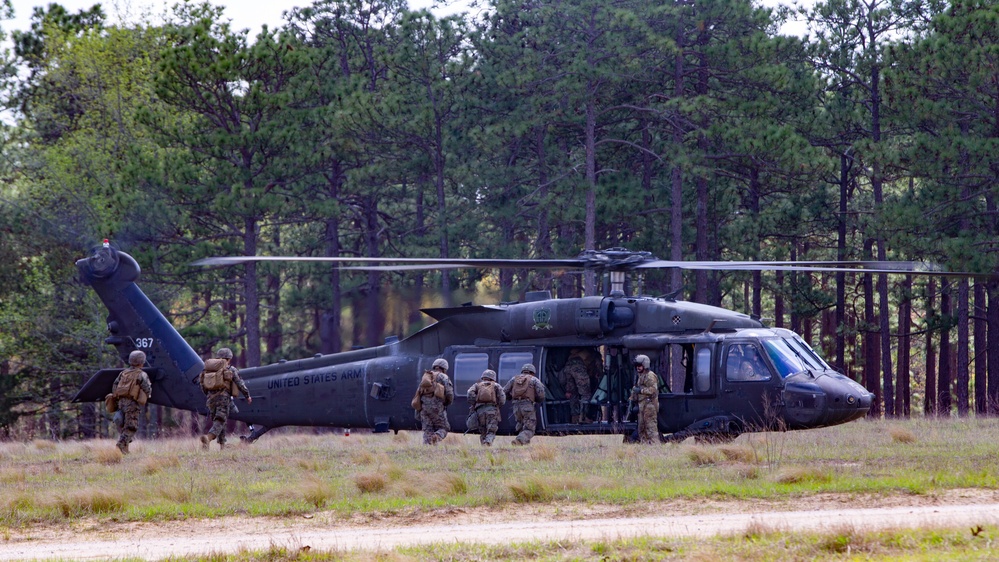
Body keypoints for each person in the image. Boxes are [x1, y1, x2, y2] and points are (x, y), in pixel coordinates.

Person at [199, 347, 252, 450]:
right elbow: (240, 383)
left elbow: (202, 385)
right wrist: (247, 395)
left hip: (210, 399)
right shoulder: (230, 369)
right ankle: (208, 438)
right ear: (229, 358)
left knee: (220, 420)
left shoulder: (207, 370)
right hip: (223, 399)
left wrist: (209, 394)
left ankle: (222, 447)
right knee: (220, 420)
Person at [111, 350, 152, 454]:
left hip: (121, 403)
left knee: (125, 425)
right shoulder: (141, 374)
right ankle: (120, 445)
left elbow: (115, 386)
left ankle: (125, 449)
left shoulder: (123, 373)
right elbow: (147, 388)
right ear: (141, 362)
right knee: (131, 427)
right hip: (132, 404)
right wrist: (146, 396)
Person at [413, 357, 455, 444]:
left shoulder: (426, 377)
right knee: (444, 428)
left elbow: (418, 393)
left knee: (428, 430)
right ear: (444, 368)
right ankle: (436, 436)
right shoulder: (444, 377)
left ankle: (428, 449)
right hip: (437, 407)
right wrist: (447, 403)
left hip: (424, 408)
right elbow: (449, 393)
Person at [503, 363, 546, 446]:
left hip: (516, 407)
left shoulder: (513, 379)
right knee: (530, 428)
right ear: (533, 372)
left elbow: (504, 392)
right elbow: (541, 395)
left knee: (521, 425)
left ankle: (523, 446)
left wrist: (510, 398)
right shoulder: (534, 380)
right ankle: (519, 441)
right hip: (528, 406)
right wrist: (536, 400)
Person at [467, 369, 505, 446]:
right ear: (493, 378)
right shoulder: (496, 385)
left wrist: (476, 401)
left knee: (483, 430)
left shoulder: (477, 385)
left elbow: (469, 393)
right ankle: (487, 443)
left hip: (479, 411)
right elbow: (502, 398)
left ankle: (483, 447)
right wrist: (497, 405)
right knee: (491, 430)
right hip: (492, 410)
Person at [629, 354, 660, 444]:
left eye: (639, 365)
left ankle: (655, 446)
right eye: (636, 366)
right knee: (641, 428)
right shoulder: (640, 376)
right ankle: (645, 446)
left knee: (651, 428)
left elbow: (653, 390)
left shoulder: (650, 376)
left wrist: (641, 390)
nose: (638, 368)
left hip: (649, 405)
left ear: (645, 365)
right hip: (642, 405)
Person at [561, 349, 593, 423]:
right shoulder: (593, 354)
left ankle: (575, 418)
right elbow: (598, 368)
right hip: (579, 368)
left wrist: (568, 390)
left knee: (572, 394)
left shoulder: (574, 353)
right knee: (586, 394)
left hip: (568, 365)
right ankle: (583, 418)